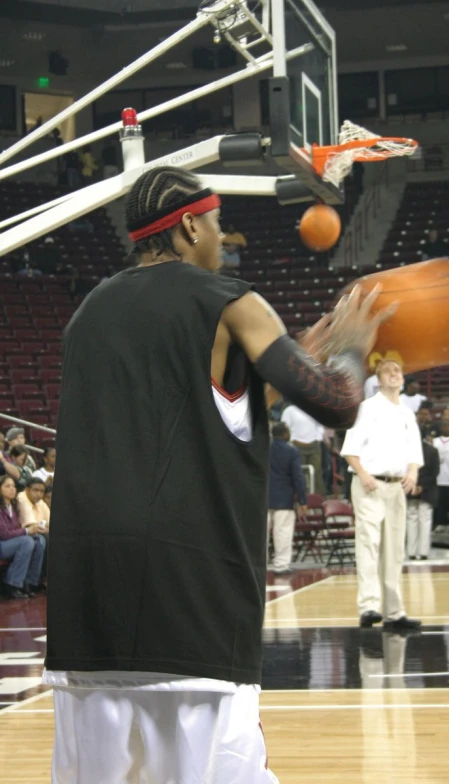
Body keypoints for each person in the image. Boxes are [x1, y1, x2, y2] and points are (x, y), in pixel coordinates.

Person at [44, 164, 392, 784]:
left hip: (88, 608)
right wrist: (352, 349)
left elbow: (208, 414)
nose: (222, 237)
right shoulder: (230, 301)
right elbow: (338, 402)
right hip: (191, 597)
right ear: (186, 225)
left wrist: (292, 357)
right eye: (217, 223)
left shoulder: (86, 315)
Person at [341, 359, 423, 631]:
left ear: (403, 379)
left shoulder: (407, 413)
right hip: (369, 484)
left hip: (396, 486)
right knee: (369, 545)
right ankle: (368, 607)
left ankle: (394, 612)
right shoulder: (368, 408)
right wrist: (363, 475)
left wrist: (413, 472)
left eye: (398, 371)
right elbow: (350, 450)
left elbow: (414, 451)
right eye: (388, 371)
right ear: (378, 379)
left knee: (394, 551)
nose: (394, 374)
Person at [267, 422, 307, 575]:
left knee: (260, 536)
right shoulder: (291, 451)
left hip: (263, 499)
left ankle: (258, 567)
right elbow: (298, 477)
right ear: (285, 434)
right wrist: (302, 500)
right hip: (284, 498)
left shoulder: (263, 448)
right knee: (282, 532)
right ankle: (281, 565)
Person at [0, 475, 46, 599]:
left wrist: (30, 531)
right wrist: (26, 531)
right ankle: (11, 583)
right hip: (2, 544)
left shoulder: (14, 507)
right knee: (27, 541)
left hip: (11, 542)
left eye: (14, 486)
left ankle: (29, 582)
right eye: (7, 486)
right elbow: (4, 534)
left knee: (39, 540)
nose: (12, 489)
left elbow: (15, 530)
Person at [406, 432, 440, 560]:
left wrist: (415, 486)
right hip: (426, 490)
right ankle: (423, 552)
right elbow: (435, 473)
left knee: (411, 519)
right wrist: (422, 487)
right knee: (424, 520)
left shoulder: (406, 451)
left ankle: (412, 552)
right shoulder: (432, 451)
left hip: (412, 488)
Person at [281, 404, 325, 495]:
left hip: (314, 444)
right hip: (296, 445)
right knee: (299, 474)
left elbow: (320, 425)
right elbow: (285, 428)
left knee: (317, 472)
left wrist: (318, 438)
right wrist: (291, 441)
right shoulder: (289, 411)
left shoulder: (315, 409)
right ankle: (299, 499)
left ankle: (318, 499)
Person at [433, 418, 449, 533]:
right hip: (439, 478)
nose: (447, 428)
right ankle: (440, 523)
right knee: (440, 503)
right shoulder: (435, 441)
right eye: (445, 426)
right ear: (441, 428)